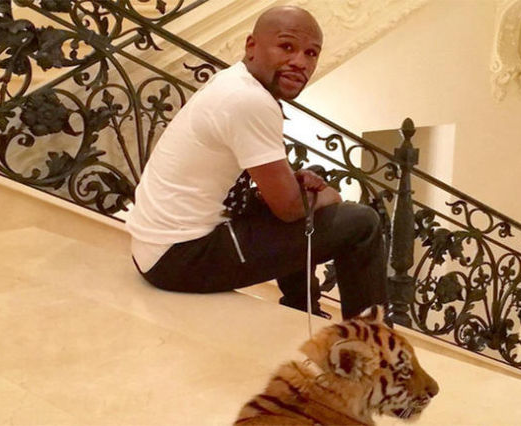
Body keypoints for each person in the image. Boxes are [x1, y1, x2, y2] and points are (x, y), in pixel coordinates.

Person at [126, 6, 388, 320]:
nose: (300, 62)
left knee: (303, 186)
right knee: (362, 223)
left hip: (155, 247)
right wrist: (330, 196)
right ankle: (370, 343)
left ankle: (302, 307)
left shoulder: (233, 81)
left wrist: (296, 185)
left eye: (311, 53)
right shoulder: (249, 100)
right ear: (251, 46)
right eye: (287, 47)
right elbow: (288, 208)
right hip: (178, 258)